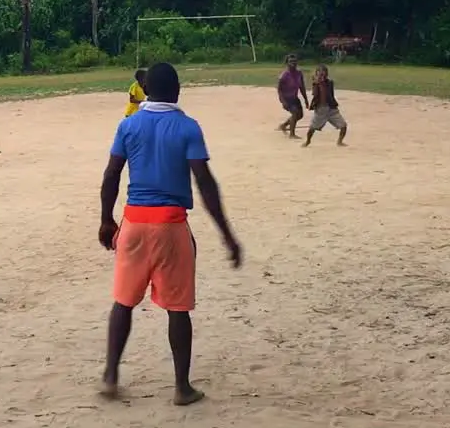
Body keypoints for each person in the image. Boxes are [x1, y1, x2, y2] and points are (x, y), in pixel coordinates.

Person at [98, 62, 242, 406]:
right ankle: (182, 387)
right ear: (177, 90)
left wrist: (107, 220)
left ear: (146, 90)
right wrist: (226, 234)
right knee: (178, 309)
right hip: (171, 226)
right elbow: (204, 182)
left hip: (133, 223)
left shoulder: (128, 125)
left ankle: (111, 376)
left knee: (123, 303)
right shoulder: (188, 127)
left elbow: (111, 175)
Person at [304, 64, 347, 147]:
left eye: (324, 71)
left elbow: (329, 94)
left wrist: (321, 82)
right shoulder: (315, 84)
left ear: (327, 73)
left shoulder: (330, 82)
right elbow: (315, 94)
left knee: (343, 125)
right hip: (320, 109)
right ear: (316, 73)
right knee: (312, 128)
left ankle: (340, 141)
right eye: (319, 71)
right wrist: (317, 83)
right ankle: (308, 141)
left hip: (331, 108)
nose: (322, 73)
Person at [276, 54, 309, 138]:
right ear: (287, 63)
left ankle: (284, 125)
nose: (293, 63)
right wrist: (283, 101)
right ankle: (292, 134)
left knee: (300, 115)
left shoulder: (299, 73)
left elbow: (302, 87)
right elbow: (279, 89)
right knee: (295, 113)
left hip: (294, 98)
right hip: (287, 98)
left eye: (294, 61)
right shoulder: (284, 75)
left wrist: (306, 99)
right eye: (291, 61)